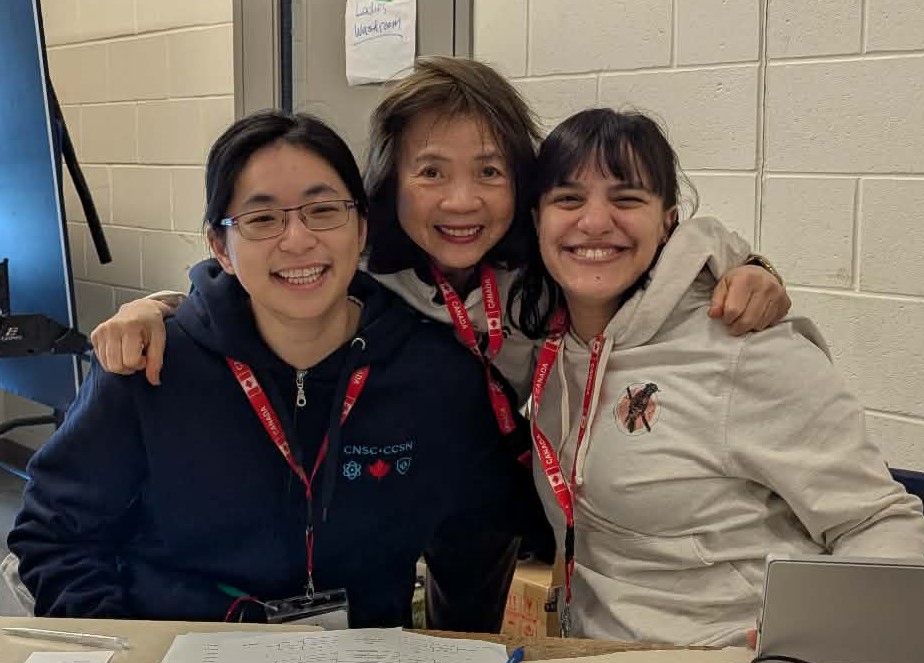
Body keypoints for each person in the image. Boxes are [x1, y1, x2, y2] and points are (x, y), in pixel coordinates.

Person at [88, 57, 790, 566]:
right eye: (430, 172)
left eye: (489, 172)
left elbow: (662, 251)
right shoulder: (364, 264)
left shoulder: (554, 261)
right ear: (389, 185)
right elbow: (246, 276)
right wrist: (157, 308)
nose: (461, 201)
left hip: (550, 492)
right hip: (431, 490)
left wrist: (752, 267)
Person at [8, 111, 525, 630]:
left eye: (323, 210)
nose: (297, 240)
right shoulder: (153, 366)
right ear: (220, 247)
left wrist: (454, 653)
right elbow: (55, 534)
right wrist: (130, 646)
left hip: (362, 662)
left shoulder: (433, 376)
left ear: (361, 227)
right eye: (262, 219)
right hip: (179, 652)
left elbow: (475, 538)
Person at [516, 107, 924, 647]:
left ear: (668, 222)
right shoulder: (536, 343)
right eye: (569, 200)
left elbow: (878, 522)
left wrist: (824, 652)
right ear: (537, 220)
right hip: (598, 662)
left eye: (627, 199)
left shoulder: (742, 343)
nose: (594, 222)